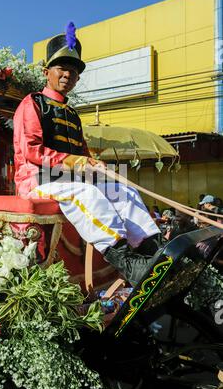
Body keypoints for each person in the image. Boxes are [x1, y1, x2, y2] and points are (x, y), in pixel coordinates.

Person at [13, 24, 160, 287]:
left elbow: (82, 154)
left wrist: (95, 164)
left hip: (67, 180)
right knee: (89, 194)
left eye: (73, 70)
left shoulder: (72, 114)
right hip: (37, 181)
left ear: (78, 78)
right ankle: (127, 263)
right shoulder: (32, 103)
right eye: (62, 68)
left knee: (123, 191)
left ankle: (153, 252)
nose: (68, 74)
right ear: (47, 72)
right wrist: (77, 162)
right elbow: (31, 151)